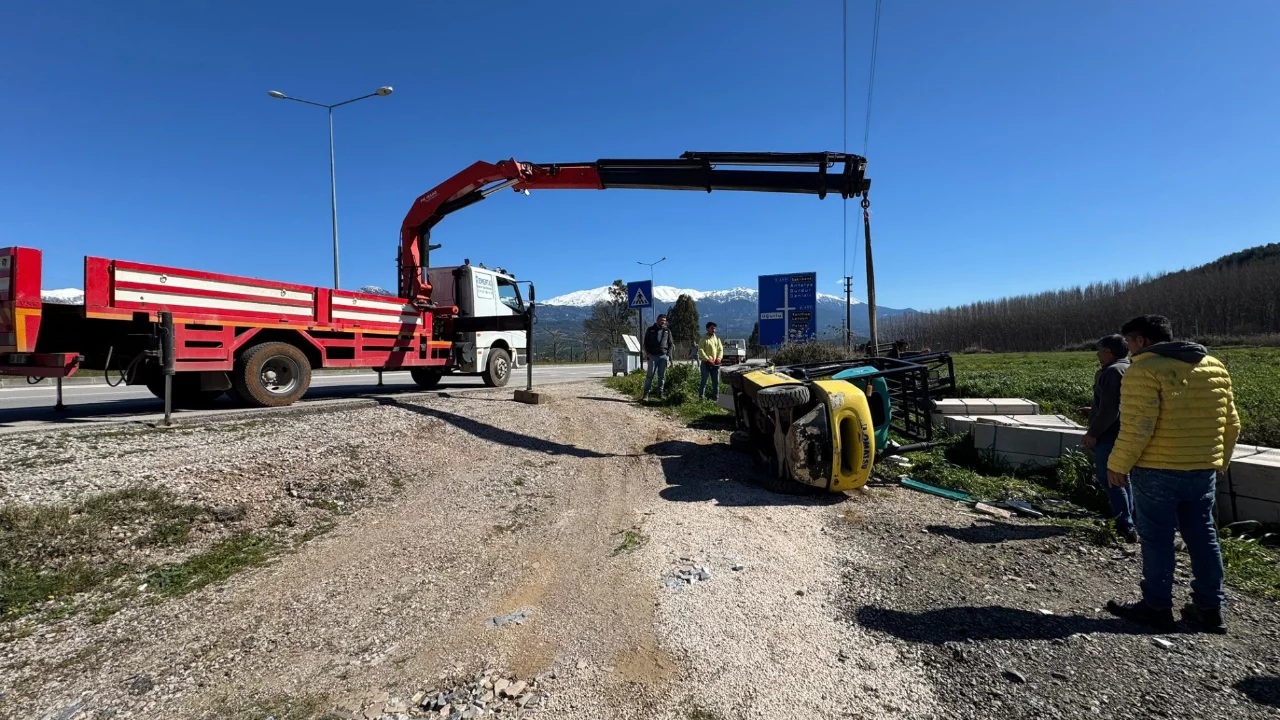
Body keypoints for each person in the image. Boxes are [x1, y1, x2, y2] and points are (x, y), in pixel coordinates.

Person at [1105, 315, 1239, 634]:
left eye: (1130, 342)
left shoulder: (1144, 370)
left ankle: (1156, 605)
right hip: (1202, 467)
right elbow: (1231, 423)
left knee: (1157, 538)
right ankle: (1209, 608)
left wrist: (1118, 465)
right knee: (1203, 535)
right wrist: (1220, 461)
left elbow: (1139, 427)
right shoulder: (1214, 365)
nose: (1129, 349)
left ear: (1142, 341)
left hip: (1158, 468)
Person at [1079, 334, 1136, 542]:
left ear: (1108, 352)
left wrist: (1092, 433)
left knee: (1111, 478)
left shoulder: (1112, 372)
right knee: (1123, 478)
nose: (1097, 354)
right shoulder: (1128, 368)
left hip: (1110, 435)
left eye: (1099, 350)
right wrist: (1093, 409)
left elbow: (1111, 410)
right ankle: (1131, 519)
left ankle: (1124, 525)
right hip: (1125, 432)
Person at [641, 314, 674, 401]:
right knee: (650, 376)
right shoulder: (650, 329)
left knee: (661, 376)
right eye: (661, 320)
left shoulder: (667, 331)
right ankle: (646, 394)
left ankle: (660, 394)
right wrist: (648, 353)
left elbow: (671, 344)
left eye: (664, 320)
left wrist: (668, 355)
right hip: (653, 356)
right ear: (657, 320)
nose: (662, 322)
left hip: (663, 356)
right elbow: (645, 343)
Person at [697, 321, 724, 400]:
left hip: (715, 364)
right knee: (704, 381)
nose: (713, 330)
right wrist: (707, 359)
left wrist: (719, 358)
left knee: (716, 382)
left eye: (714, 328)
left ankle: (716, 398)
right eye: (712, 328)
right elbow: (701, 350)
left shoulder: (717, 339)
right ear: (707, 329)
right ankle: (701, 398)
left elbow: (720, 350)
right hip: (706, 363)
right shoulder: (703, 339)